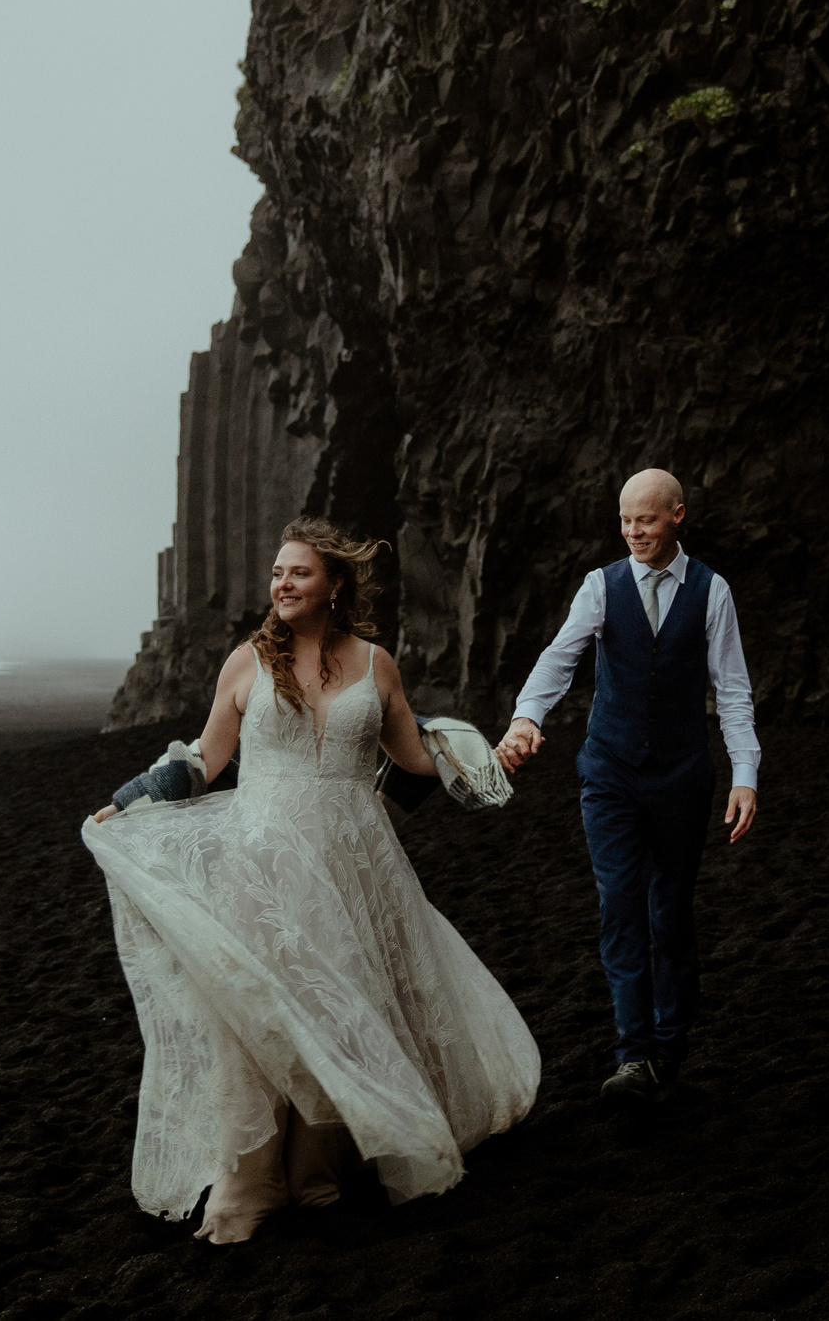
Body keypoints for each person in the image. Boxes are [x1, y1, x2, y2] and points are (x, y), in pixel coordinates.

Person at [82, 517, 540, 1243]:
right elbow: (204, 760)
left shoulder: (377, 666)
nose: (282, 583)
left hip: (357, 868)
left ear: (334, 585)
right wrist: (130, 798)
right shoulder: (247, 664)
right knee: (264, 1014)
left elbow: (415, 758)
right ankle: (253, 1183)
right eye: (277, 573)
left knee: (343, 1008)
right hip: (264, 864)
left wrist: (488, 756)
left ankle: (318, 1171)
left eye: (298, 572)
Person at [495, 468, 760, 1107]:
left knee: (670, 911)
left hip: (682, 777)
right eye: (624, 521)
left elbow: (732, 689)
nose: (633, 532)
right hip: (609, 772)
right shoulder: (601, 586)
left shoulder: (712, 591)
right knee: (619, 906)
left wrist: (744, 775)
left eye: (645, 519)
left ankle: (671, 1043)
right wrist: (527, 718)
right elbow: (559, 657)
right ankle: (634, 1053)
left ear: (677, 516)